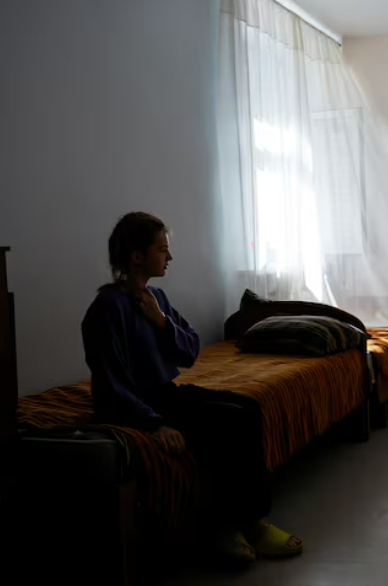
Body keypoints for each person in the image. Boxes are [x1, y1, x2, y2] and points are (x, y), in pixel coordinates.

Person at [82, 212, 303, 564]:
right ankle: (224, 528)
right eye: (162, 249)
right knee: (226, 424)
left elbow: (190, 352)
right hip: (138, 407)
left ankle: (252, 521)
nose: (169, 256)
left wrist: (161, 322)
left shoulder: (156, 298)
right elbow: (110, 385)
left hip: (165, 394)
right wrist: (155, 424)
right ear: (138, 256)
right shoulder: (107, 308)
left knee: (248, 408)